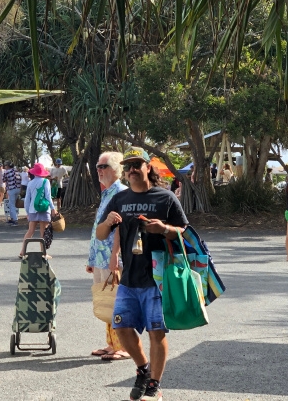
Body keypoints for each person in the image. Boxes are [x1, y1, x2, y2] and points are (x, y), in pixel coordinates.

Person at [95, 147, 188, 401]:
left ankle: (154, 385)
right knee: (122, 328)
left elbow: (185, 231)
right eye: (129, 166)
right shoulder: (119, 200)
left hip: (157, 278)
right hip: (129, 277)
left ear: (149, 167)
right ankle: (144, 369)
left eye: (138, 164)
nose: (133, 169)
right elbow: (101, 234)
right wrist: (107, 223)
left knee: (156, 332)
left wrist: (165, 229)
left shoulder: (165, 197)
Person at [87, 151, 129, 361]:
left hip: (113, 258)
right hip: (101, 258)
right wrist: (92, 259)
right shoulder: (107, 193)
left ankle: (123, 345)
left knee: (117, 301)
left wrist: (116, 256)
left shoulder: (121, 193)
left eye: (103, 167)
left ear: (115, 169)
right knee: (106, 300)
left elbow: (122, 229)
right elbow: (99, 228)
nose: (98, 171)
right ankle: (112, 343)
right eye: (97, 166)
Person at [22, 163, 56, 251]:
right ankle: (43, 253)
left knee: (30, 231)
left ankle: (22, 251)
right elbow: (48, 196)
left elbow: (27, 199)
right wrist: (53, 208)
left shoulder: (30, 183)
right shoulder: (46, 181)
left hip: (33, 210)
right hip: (44, 209)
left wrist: (27, 212)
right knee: (43, 233)